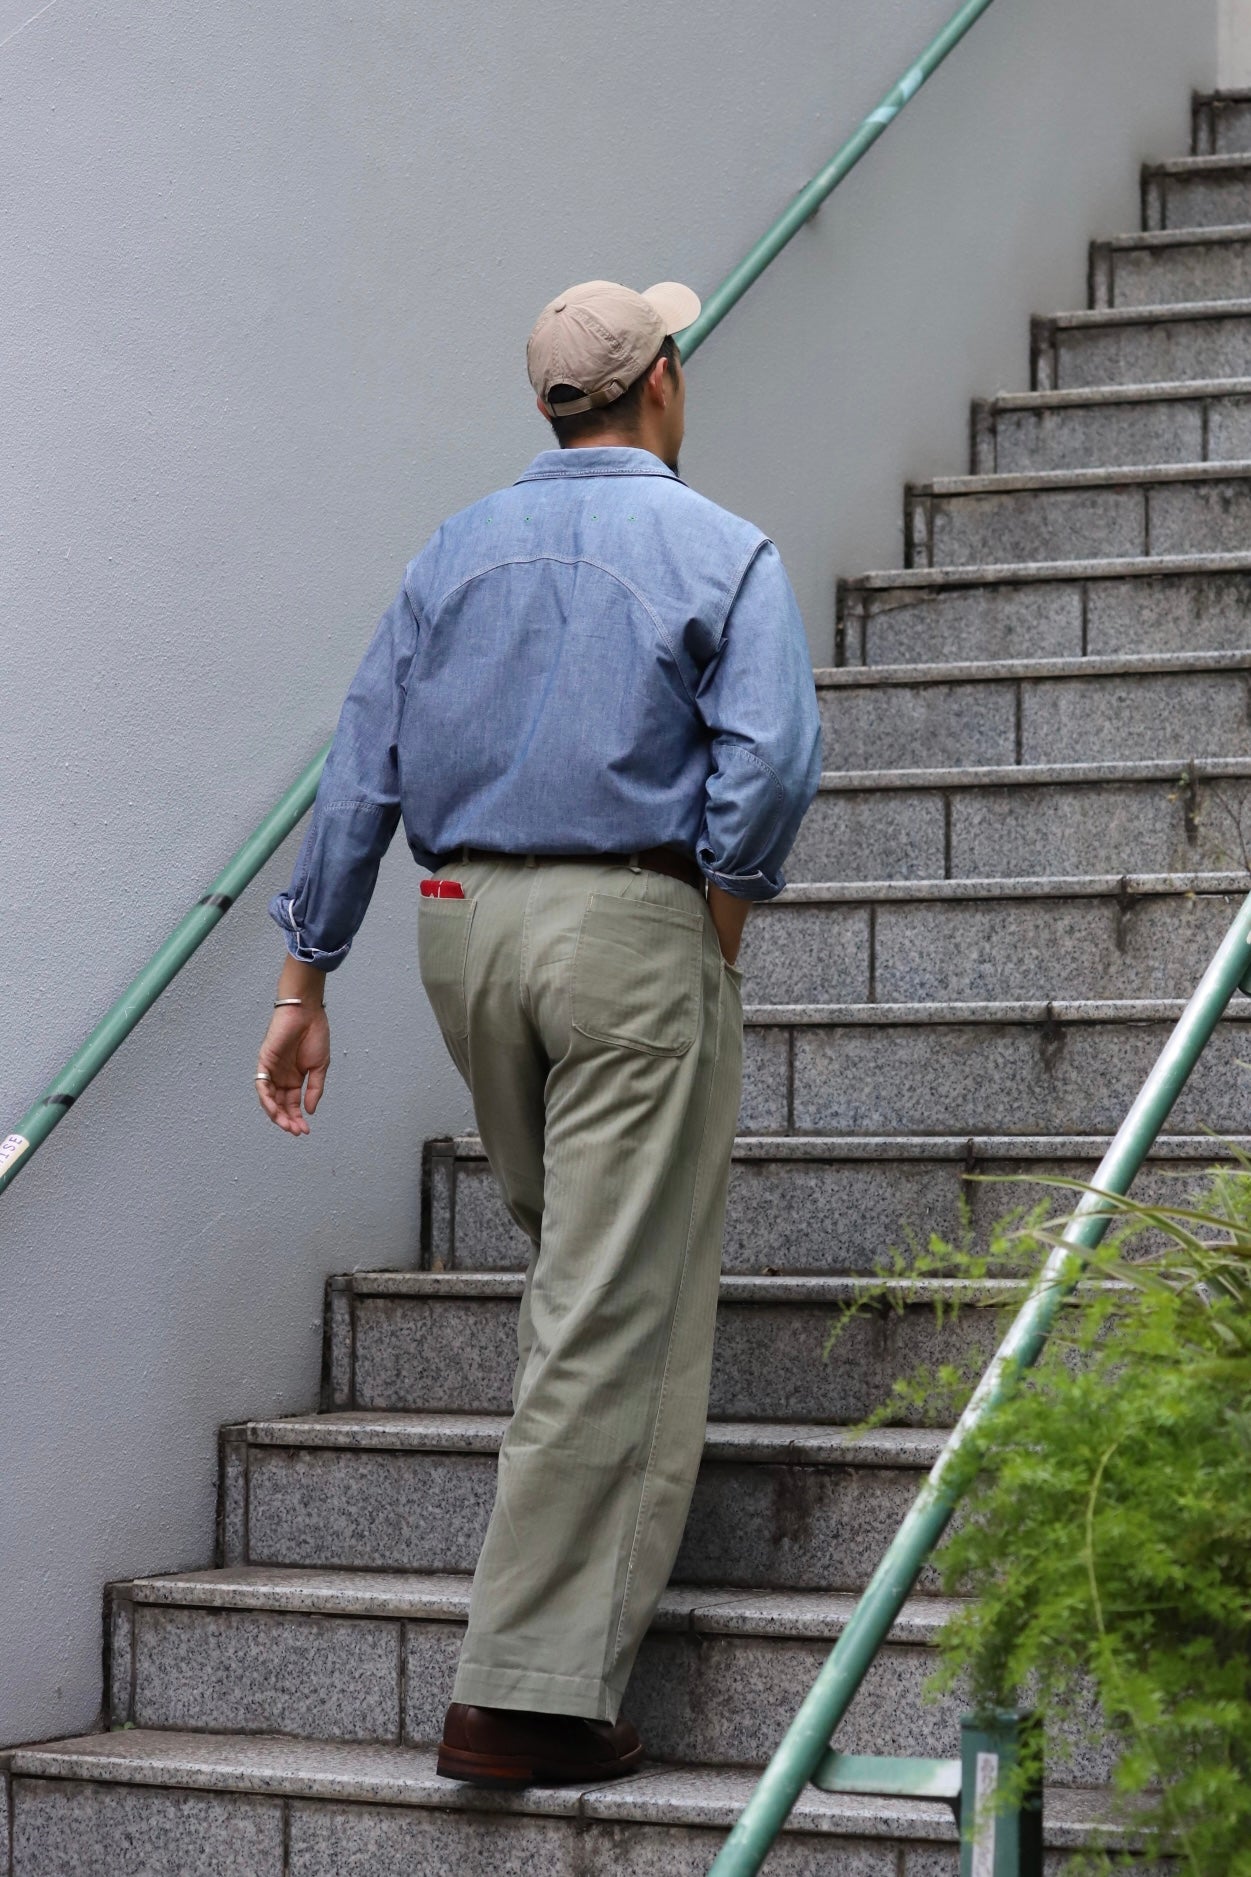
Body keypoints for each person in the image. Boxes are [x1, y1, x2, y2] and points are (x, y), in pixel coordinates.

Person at [256, 277, 822, 1787]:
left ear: (552, 404)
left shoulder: (455, 549)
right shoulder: (721, 548)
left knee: (575, 1251)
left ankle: (550, 1618)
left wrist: (305, 980)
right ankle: (523, 1693)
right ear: (663, 381)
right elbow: (768, 764)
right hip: (626, 930)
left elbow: (360, 759)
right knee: (607, 1298)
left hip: (461, 929)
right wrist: (719, 906)